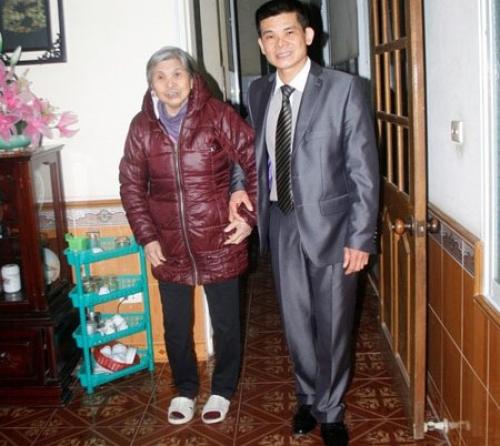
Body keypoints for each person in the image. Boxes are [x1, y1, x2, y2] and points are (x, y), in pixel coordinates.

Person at [230, 1, 379, 444]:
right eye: (270, 36)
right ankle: (307, 397)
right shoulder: (259, 92)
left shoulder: (344, 88)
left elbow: (363, 170)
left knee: (333, 323)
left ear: (308, 35)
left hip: (334, 227)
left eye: (289, 32)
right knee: (295, 321)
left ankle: (331, 410)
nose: (280, 43)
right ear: (261, 44)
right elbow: (249, 152)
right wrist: (239, 186)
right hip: (281, 220)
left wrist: (361, 237)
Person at [119, 46, 256, 426]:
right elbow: (131, 185)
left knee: (226, 324)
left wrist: (249, 217)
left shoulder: (217, 115)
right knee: (176, 327)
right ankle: (184, 389)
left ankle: (222, 389)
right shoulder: (141, 128)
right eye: (160, 77)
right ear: (151, 86)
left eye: (177, 74)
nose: (170, 84)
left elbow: (255, 160)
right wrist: (147, 237)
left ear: (192, 79)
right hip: (168, 244)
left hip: (220, 238)